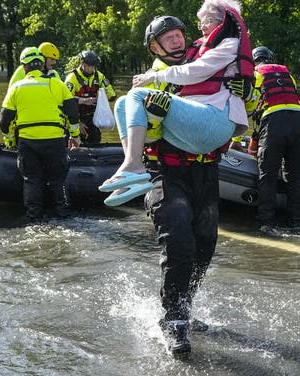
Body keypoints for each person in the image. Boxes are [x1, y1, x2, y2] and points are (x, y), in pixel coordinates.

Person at [105, 1, 249, 356]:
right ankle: (173, 321)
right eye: (166, 38)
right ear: (154, 47)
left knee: (205, 246)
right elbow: (146, 125)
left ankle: (184, 308)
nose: (175, 40)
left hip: (206, 170)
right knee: (180, 242)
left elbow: (229, 80)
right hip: (165, 172)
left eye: (179, 34)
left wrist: (248, 89)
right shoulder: (154, 76)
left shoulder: (204, 60)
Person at [0, 47, 80, 221]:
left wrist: (10, 140)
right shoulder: (57, 84)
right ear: (42, 65)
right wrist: (75, 135)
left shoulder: (16, 87)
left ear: (24, 67)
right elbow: (72, 112)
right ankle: (63, 214)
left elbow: (5, 121)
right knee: (58, 179)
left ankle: (34, 218)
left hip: (28, 142)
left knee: (32, 179)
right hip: (55, 140)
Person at [246, 45, 300, 226]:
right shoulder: (289, 76)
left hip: (274, 123)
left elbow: (247, 106)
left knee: (268, 174)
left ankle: (266, 221)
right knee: (294, 176)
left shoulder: (255, 75)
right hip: (297, 121)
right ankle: (296, 219)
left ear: (254, 60)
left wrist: (234, 139)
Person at [64, 50, 117, 145]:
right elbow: (65, 102)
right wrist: (82, 101)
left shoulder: (99, 76)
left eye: (94, 66)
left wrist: (103, 94)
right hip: (74, 118)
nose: (92, 69)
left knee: (96, 137)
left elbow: (112, 96)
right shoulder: (72, 78)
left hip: (92, 118)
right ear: (82, 64)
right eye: (89, 66)